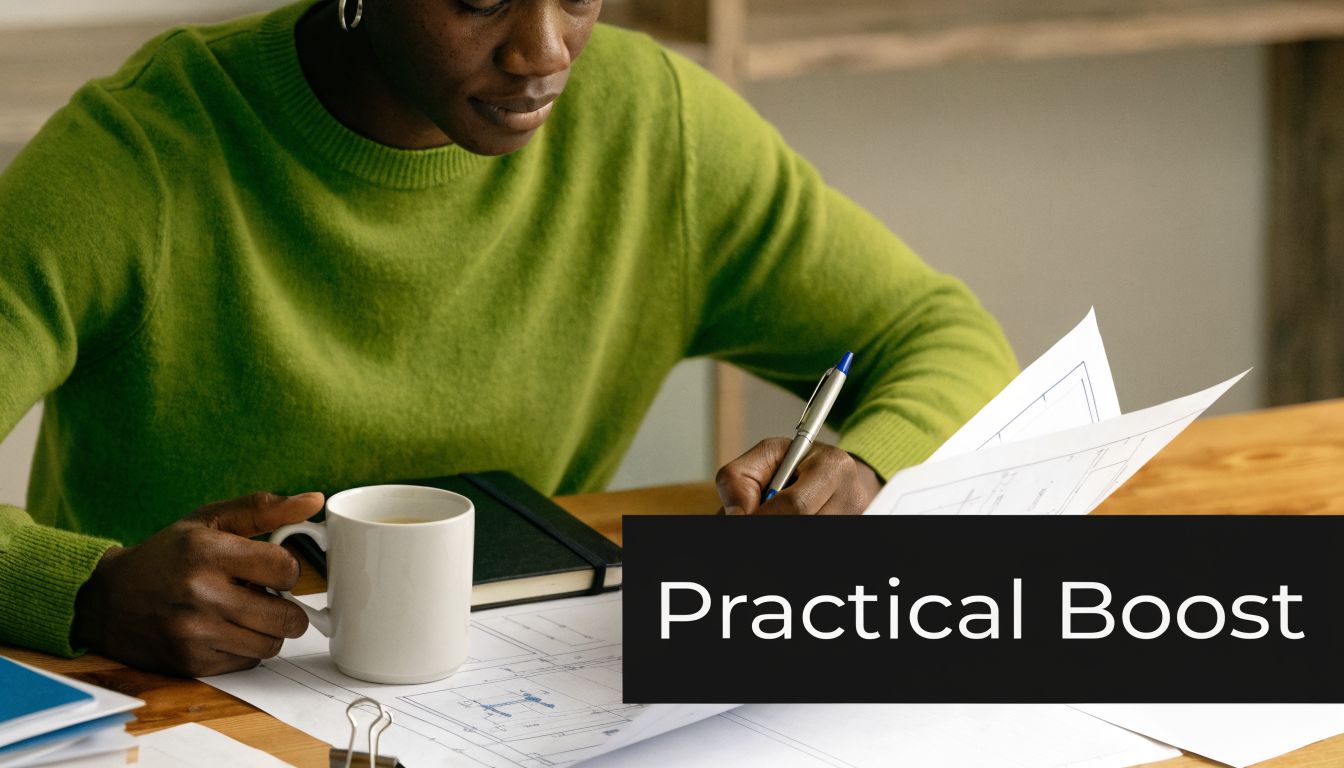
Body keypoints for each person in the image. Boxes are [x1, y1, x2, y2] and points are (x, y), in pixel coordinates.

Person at [0, 0, 1016, 676]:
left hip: (520, 701)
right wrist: (83, 590)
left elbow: (942, 333)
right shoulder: (140, 155)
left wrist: (868, 464)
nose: (545, 51)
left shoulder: (651, 126)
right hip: (178, 713)